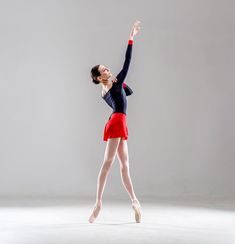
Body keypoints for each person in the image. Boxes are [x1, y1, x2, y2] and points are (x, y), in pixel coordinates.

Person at [89, 20, 141, 223]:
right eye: (103, 69)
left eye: (106, 67)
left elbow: (128, 92)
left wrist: (121, 83)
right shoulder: (112, 83)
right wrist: (131, 37)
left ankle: (135, 201)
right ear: (99, 77)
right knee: (109, 163)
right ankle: (98, 203)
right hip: (118, 121)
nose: (107, 69)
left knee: (123, 165)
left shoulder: (108, 88)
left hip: (118, 121)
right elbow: (127, 62)